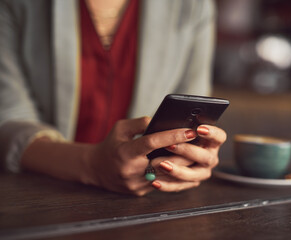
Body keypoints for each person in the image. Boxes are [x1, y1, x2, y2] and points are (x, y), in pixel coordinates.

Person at [0, 0, 226, 196]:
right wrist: (91, 165)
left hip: (144, 201)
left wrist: (191, 155)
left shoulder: (193, 6)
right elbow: (7, 122)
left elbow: (195, 110)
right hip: (36, 196)